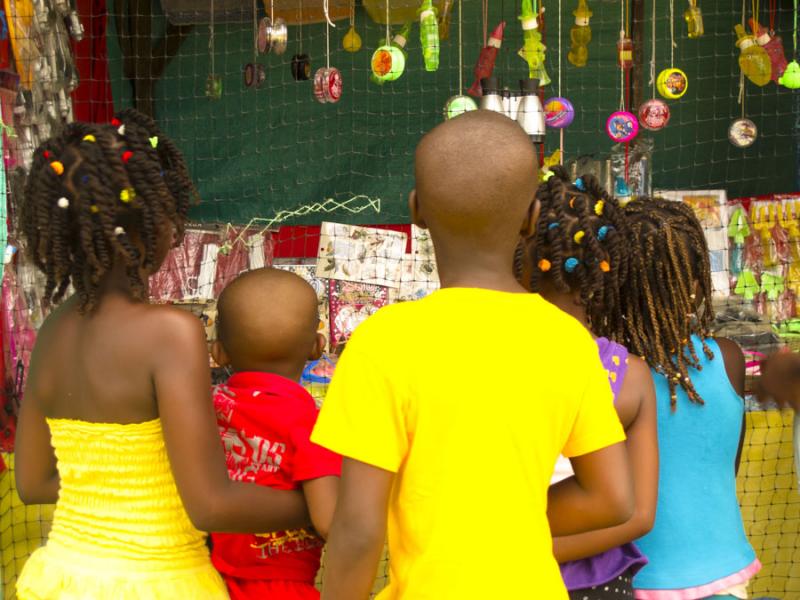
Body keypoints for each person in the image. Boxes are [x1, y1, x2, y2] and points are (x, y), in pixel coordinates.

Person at [312, 110, 635, 600]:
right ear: (531, 217)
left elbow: (357, 528)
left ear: (416, 210)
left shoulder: (383, 341)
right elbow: (612, 498)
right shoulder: (567, 340)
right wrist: (506, 516)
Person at [13, 110, 308, 599]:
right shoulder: (171, 333)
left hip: (62, 578)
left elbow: (32, 482)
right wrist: (317, 505)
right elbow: (210, 506)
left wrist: (119, 494)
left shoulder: (52, 333)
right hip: (158, 580)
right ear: (159, 224)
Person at [520, 168, 657, 600]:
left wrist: (523, 549)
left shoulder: (495, 359)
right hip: (601, 583)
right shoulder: (630, 376)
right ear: (606, 267)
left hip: (505, 575)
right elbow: (639, 516)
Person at [617, 198, 760, 600]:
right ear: (696, 278)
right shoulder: (728, 358)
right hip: (727, 571)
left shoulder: (610, 373)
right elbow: (724, 466)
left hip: (637, 580)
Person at [210, 268, 341, 599]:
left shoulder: (207, 408)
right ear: (317, 346)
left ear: (218, 352)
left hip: (205, 576)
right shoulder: (313, 425)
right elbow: (330, 521)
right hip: (284, 586)